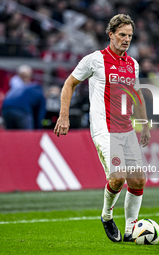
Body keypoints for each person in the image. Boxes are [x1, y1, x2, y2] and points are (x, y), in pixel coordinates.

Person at [54, 14, 151, 242]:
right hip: (104, 128)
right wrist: (64, 116)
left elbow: (136, 95)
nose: (126, 39)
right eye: (122, 35)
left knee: (138, 180)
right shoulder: (94, 60)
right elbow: (70, 83)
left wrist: (144, 124)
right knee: (118, 176)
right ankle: (106, 216)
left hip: (126, 130)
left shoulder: (133, 64)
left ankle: (130, 229)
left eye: (129, 36)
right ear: (111, 34)